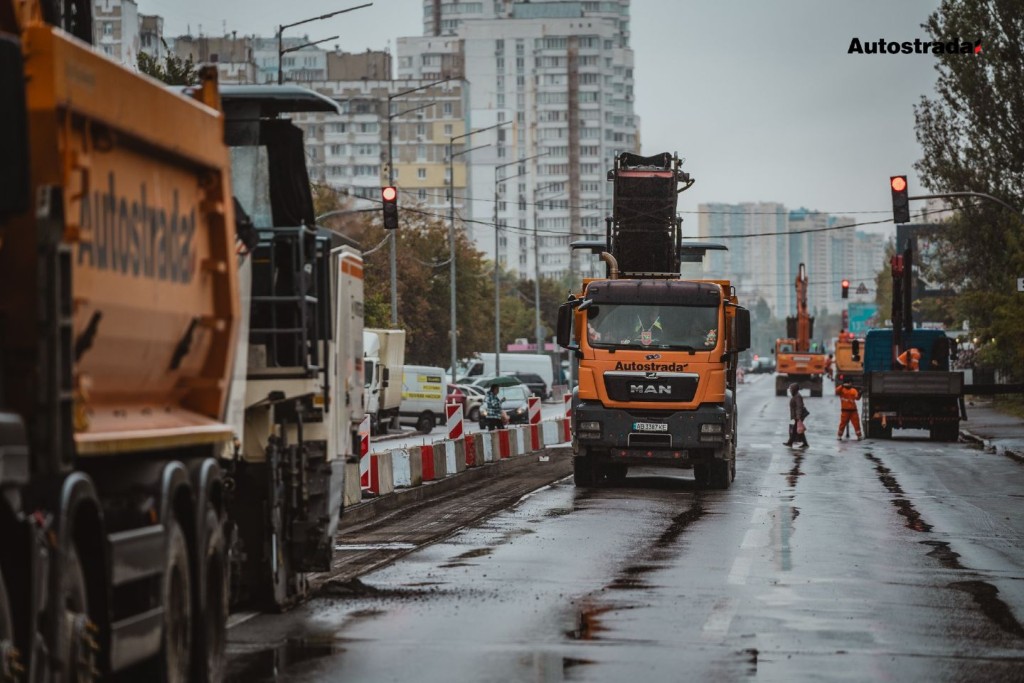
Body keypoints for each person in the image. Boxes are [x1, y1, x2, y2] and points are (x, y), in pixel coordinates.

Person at [783, 384, 809, 448]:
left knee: (794, 430)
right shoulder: (795, 395)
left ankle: (790, 442)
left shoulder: (797, 396)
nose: (790, 390)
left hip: (798, 416)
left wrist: (798, 418)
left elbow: (799, 407)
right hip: (796, 416)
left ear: (794, 389)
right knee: (797, 430)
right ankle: (804, 443)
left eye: (791, 389)